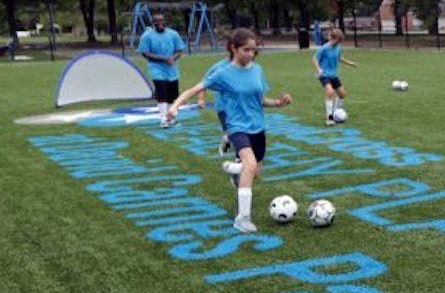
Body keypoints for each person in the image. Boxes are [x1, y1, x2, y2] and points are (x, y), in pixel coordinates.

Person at [167, 28, 292, 233]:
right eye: (246, 50)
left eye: (253, 50)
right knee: (250, 165)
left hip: (257, 127)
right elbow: (194, 89)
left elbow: (260, 100)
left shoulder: (257, 70)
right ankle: (242, 218)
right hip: (236, 127)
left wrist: (278, 102)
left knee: (254, 172)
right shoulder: (223, 73)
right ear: (233, 48)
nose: (250, 54)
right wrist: (174, 106)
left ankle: (235, 169)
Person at [137, 12, 188, 126]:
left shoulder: (173, 34)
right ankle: (164, 119)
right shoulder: (147, 36)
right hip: (156, 69)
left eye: (161, 20)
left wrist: (172, 59)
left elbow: (179, 50)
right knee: (161, 93)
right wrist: (163, 59)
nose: (160, 23)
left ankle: (172, 117)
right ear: (153, 23)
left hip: (172, 70)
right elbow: (145, 53)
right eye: (157, 21)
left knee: (173, 95)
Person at [314, 26, 358, 123]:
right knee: (330, 92)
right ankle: (329, 118)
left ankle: (336, 112)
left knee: (342, 94)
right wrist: (319, 70)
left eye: (340, 42)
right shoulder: (324, 48)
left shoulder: (338, 48)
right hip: (324, 74)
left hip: (333, 75)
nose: (338, 43)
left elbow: (339, 58)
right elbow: (314, 59)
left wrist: (350, 63)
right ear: (332, 38)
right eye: (337, 41)